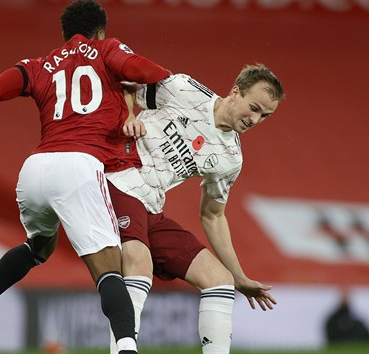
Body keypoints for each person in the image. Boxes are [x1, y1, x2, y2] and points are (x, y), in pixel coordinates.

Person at [0, 1, 169, 353]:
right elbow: (144, 70)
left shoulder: (37, 66)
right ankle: (127, 348)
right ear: (100, 30)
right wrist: (160, 82)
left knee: (38, 247)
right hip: (79, 166)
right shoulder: (107, 49)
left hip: (35, 169)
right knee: (109, 270)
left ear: (64, 34)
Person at [107, 64, 283, 354]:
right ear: (235, 92)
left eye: (265, 115)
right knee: (140, 262)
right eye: (253, 108)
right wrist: (128, 115)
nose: (255, 119)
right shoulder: (183, 90)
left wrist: (238, 275)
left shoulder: (230, 158)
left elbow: (212, 215)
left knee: (219, 281)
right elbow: (123, 85)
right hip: (118, 176)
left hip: (149, 203)